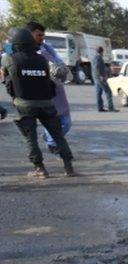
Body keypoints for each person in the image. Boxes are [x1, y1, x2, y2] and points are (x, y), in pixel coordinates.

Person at [3, 27, 75, 178]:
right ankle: (69, 167)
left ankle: (40, 169)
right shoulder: (41, 59)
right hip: (47, 104)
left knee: (31, 139)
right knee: (58, 136)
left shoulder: (10, 59)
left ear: (15, 44)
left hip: (25, 104)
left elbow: (6, 77)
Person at [25, 22, 71, 154]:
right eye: (39, 35)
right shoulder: (25, 53)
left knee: (66, 123)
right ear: (29, 35)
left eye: (43, 35)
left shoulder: (47, 48)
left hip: (58, 89)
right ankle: (52, 145)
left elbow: (59, 63)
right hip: (42, 94)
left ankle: (49, 138)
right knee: (50, 121)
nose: (42, 38)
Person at [93, 46, 115, 111]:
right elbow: (97, 67)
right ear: (102, 51)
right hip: (100, 78)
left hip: (96, 77)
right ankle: (110, 107)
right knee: (108, 91)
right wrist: (101, 76)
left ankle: (100, 107)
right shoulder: (98, 58)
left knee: (98, 93)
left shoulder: (95, 57)